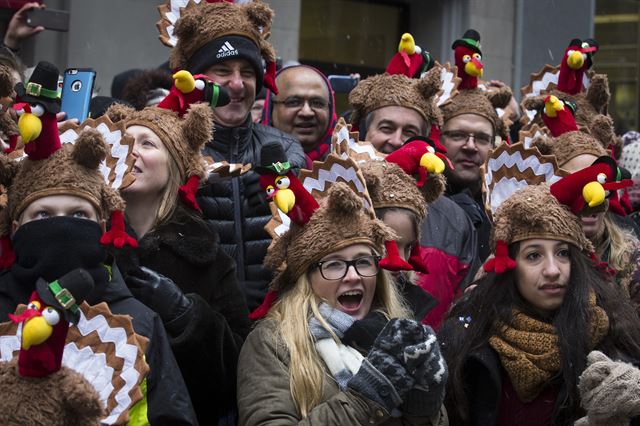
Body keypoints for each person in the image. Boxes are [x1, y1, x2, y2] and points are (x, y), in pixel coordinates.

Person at [0, 62, 196, 424]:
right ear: (15, 226)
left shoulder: (139, 320)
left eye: (79, 216)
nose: (61, 226)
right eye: (42, 216)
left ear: (103, 225)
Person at [237, 182, 448, 425]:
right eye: (334, 264)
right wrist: (363, 398)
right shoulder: (273, 341)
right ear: (306, 278)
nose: (353, 276)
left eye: (363, 262)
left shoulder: (398, 333)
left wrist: (425, 405)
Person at [439, 183, 640, 425]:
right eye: (534, 255)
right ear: (509, 267)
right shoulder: (466, 339)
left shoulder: (613, 336)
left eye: (563, 253)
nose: (553, 270)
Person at [106, 101, 251, 423]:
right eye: (125, 142)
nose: (132, 152)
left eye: (147, 143)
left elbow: (238, 367)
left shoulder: (207, 255)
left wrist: (186, 316)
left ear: (174, 165)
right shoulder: (87, 241)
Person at [168, 0, 306, 310]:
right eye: (222, 71)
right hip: (200, 321)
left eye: (247, 72)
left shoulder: (286, 148)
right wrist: (218, 292)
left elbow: (312, 233)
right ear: (196, 80)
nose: (236, 83)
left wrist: (287, 187)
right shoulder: (169, 148)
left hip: (276, 318)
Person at [262, 65, 337, 166]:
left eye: (317, 103)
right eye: (294, 102)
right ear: (271, 109)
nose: (307, 113)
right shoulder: (247, 166)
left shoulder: (351, 168)